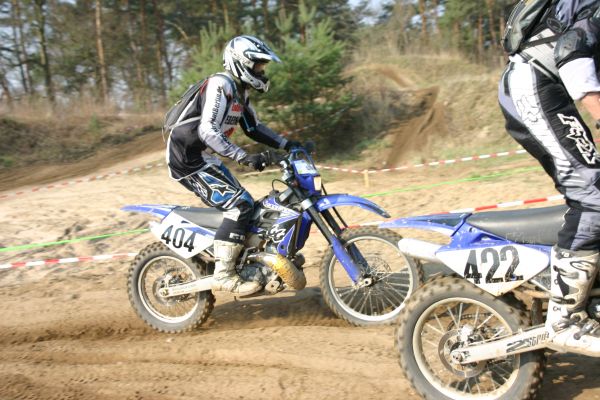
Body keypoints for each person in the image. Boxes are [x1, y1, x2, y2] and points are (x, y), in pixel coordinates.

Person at [499, 0, 600, 352]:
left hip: (549, 85)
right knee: (592, 194)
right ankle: (565, 318)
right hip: (534, 85)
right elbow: (573, 54)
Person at [166, 35, 301, 296]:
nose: (261, 71)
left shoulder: (240, 92)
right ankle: (224, 275)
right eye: (258, 65)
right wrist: (243, 156)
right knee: (239, 205)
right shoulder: (221, 84)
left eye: (262, 66)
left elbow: (253, 128)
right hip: (187, 159)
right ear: (241, 62)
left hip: (204, 157)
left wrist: (289, 144)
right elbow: (207, 130)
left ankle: (248, 262)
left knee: (249, 205)